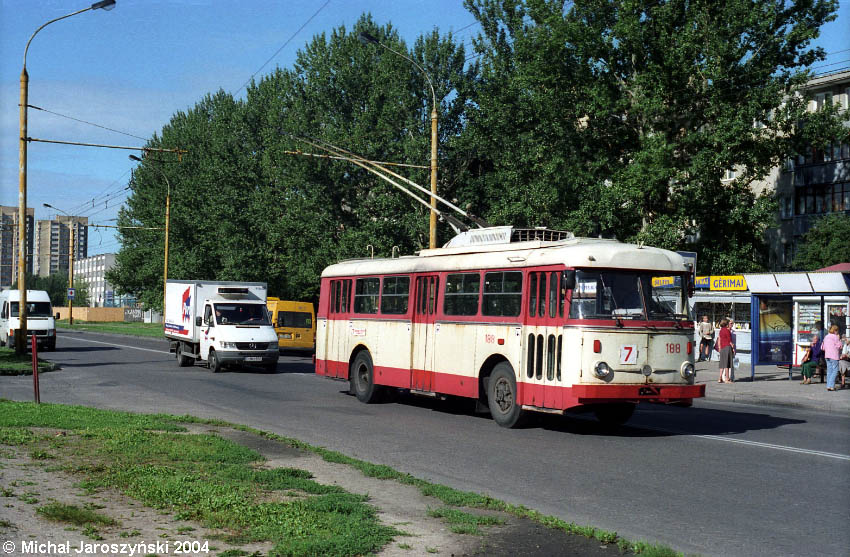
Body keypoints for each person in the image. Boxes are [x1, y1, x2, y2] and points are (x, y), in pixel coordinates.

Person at [823, 324, 842, 392]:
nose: (838, 332)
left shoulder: (826, 337)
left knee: (829, 371)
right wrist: (839, 339)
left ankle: (829, 386)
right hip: (834, 356)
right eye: (837, 330)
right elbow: (839, 346)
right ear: (835, 330)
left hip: (827, 355)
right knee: (835, 371)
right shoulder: (835, 337)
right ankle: (831, 385)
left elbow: (823, 347)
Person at [716, 318, 735, 383]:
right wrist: (733, 347)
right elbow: (730, 341)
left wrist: (719, 347)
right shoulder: (727, 331)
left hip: (722, 348)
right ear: (726, 324)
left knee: (722, 364)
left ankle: (720, 378)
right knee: (727, 364)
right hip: (727, 347)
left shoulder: (721, 330)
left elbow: (719, 339)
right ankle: (727, 379)